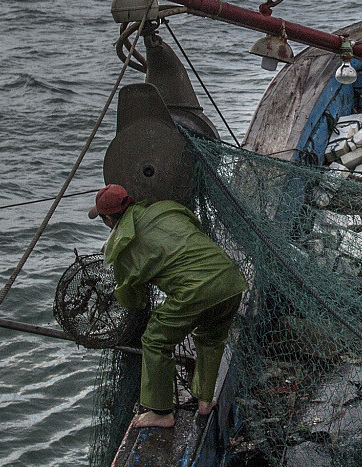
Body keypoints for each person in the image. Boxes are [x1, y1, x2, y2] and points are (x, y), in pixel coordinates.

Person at [94, 182, 248, 430]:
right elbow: (193, 230)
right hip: (230, 281)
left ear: (109, 219)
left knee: (155, 340)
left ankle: (161, 412)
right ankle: (205, 401)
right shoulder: (166, 210)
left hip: (195, 292)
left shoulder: (122, 248)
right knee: (210, 338)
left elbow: (132, 299)